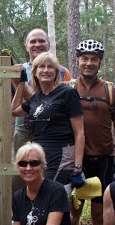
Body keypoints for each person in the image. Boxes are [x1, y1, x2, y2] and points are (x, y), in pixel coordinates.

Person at [68, 40, 115, 225]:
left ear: (100, 61)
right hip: (75, 160)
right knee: (72, 214)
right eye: (84, 58)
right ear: (77, 60)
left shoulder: (111, 91)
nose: (89, 62)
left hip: (103, 159)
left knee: (101, 216)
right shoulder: (68, 88)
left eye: (94, 58)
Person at [12, 51, 86, 187]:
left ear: (56, 72)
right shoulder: (36, 97)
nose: (46, 70)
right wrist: (21, 83)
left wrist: (78, 166)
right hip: (40, 155)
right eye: (41, 67)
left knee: (55, 193)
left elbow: (80, 133)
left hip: (62, 154)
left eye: (50, 67)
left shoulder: (67, 93)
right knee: (42, 195)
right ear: (34, 72)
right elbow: (14, 111)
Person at [12, 29, 71, 155]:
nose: (37, 44)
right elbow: (12, 106)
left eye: (41, 41)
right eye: (33, 41)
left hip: (51, 130)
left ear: (49, 45)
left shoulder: (62, 71)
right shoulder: (17, 70)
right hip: (24, 129)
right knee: (22, 168)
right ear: (27, 46)